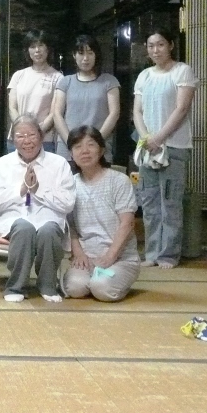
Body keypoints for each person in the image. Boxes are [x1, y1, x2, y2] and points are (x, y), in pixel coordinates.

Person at [0, 115, 76, 303]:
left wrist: (38, 190)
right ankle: (15, 286)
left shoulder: (59, 164)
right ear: (13, 139)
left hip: (49, 223)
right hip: (13, 225)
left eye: (31, 135)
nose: (26, 141)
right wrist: (21, 190)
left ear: (41, 136)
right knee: (24, 227)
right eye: (20, 136)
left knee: (48, 230)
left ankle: (47, 285)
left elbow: (68, 203)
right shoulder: (3, 163)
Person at [132, 27, 197, 269]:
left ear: (171, 45)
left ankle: (169, 255)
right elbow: (137, 111)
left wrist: (159, 137)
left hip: (174, 146)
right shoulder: (144, 75)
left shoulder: (182, 71)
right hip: (147, 147)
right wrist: (145, 137)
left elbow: (182, 109)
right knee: (149, 203)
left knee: (170, 202)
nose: (155, 50)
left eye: (160, 44)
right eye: (151, 46)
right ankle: (151, 253)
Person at [62, 126, 140, 302]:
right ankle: (93, 279)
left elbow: (127, 223)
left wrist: (109, 256)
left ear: (102, 150)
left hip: (120, 258)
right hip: (86, 258)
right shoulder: (69, 184)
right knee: (74, 288)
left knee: (101, 288)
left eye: (91, 145)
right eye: (78, 146)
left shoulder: (119, 181)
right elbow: (70, 226)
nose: (85, 151)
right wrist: (78, 253)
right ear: (71, 154)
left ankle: (111, 279)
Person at [52, 34, 120, 163]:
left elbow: (114, 113)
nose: (85, 58)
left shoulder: (109, 81)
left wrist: (95, 142)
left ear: (96, 55)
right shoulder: (65, 82)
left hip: (99, 148)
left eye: (90, 53)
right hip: (67, 149)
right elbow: (57, 114)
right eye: (81, 53)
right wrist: (72, 143)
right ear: (74, 55)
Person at [6, 29, 62, 152]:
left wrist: (37, 133)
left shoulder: (58, 78)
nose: (37, 50)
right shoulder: (18, 75)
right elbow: (12, 108)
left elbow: (54, 113)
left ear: (48, 48)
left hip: (44, 140)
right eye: (32, 46)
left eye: (41, 45)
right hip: (17, 139)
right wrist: (23, 130)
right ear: (27, 50)